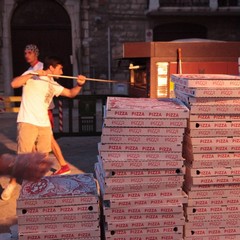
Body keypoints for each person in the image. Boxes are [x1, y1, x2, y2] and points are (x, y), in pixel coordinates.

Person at [1, 55, 86, 201]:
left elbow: (71, 93)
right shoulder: (33, 74)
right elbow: (14, 84)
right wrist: (32, 74)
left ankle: (40, 186)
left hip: (44, 124)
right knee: (23, 158)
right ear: (51, 67)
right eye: (60, 68)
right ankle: (12, 184)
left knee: (43, 157)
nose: (62, 71)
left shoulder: (53, 84)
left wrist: (79, 85)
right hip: (27, 121)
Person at [24, 44, 72, 175]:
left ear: (36, 54)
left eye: (29, 53)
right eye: (25, 53)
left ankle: (53, 166)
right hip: (34, 112)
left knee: (46, 140)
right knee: (39, 140)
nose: (27, 55)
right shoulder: (30, 70)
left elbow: (52, 86)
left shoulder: (41, 67)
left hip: (43, 110)